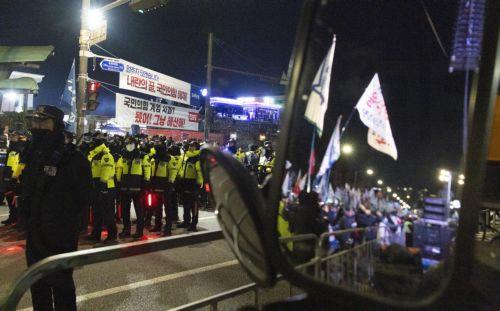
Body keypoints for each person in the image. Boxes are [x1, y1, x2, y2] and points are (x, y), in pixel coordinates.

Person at [21, 105, 93, 310]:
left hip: (61, 233)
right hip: (35, 231)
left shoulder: (73, 157)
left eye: (43, 121)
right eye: (35, 121)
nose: (37, 126)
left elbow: (85, 194)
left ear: (57, 125)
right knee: (37, 285)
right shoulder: (33, 154)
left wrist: (71, 221)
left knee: (62, 286)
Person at [116, 136, 151, 239]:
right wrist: (118, 181)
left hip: (137, 188)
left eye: (130, 143)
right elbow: (119, 169)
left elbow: (147, 169)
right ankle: (126, 230)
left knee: (139, 211)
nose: (128, 145)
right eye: (127, 143)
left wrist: (146, 182)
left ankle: (139, 231)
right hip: (125, 187)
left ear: (135, 144)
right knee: (125, 211)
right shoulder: (123, 155)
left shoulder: (142, 155)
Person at [86, 134, 117, 243]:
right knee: (96, 212)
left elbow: (105, 172)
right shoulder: (94, 155)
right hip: (96, 186)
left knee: (107, 213)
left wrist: (102, 187)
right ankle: (95, 234)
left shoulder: (106, 155)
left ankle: (112, 236)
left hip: (106, 187)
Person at [176, 141, 203, 232]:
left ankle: (194, 224)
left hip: (193, 184)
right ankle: (186, 221)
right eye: (190, 145)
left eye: (193, 146)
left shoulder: (197, 159)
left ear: (197, 148)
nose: (191, 147)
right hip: (185, 183)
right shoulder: (187, 157)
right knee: (186, 205)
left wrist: (199, 185)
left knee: (193, 206)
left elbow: (200, 173)